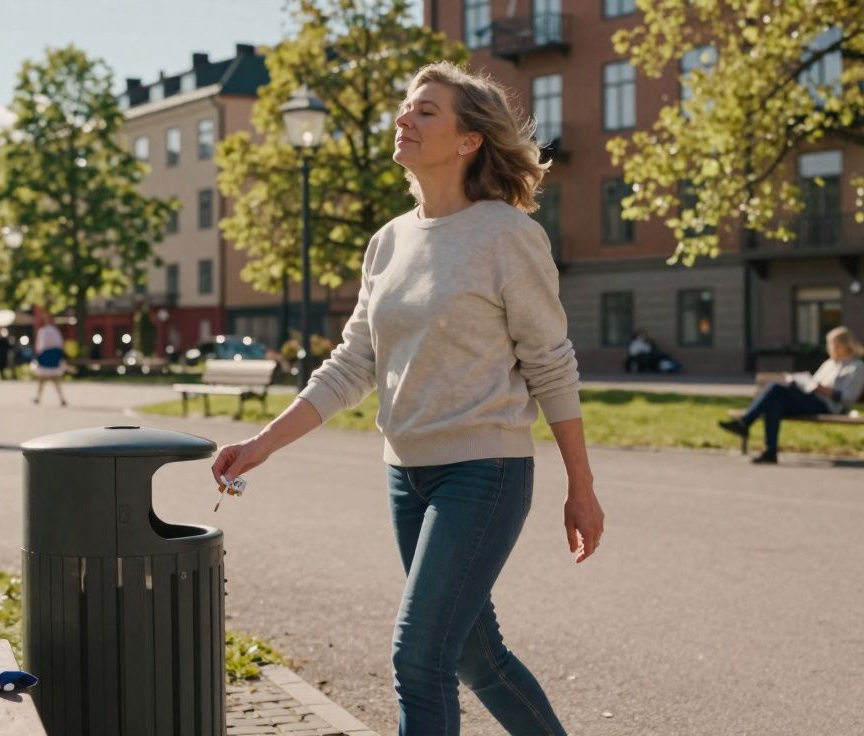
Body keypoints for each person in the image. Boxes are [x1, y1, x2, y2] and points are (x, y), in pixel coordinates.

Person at [210, 61, 603, 734]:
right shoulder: (388, 242)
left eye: (425, 111)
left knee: (418, 660)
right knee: (477, 660)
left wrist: (582, 488)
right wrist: (260, 445)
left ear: (468, 140)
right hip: (406, 475)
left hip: (485, 471)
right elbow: (353, 364)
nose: (404, 118)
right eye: (406, 107)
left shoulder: (507, 235)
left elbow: (551, 364)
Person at [718, 325, 864, 464]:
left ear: (846, 345)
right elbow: (813, 384)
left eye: (834, 345)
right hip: (812, 399)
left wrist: (820, 389)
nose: (830, 348)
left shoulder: (857, 367)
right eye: (830, 344)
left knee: (775, 389)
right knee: (774, 403)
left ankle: (745, 423)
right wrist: (800, 383)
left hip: (828, 405)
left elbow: (849, 396)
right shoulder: (829, 364)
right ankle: (770, 452)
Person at [31, 319, 67, 407]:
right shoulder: (55, 331)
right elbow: (60, 344)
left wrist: (38, 356)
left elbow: (40, 346)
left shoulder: (43, 331)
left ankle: (38, 397)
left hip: (46, 355)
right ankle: (61, 398)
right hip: (54, 355)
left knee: (42, 380)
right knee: (55, 380)